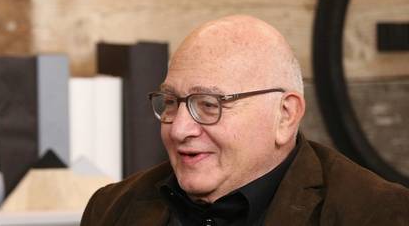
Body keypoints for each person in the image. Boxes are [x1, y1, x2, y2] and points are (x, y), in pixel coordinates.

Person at [81, 15, 409, 225]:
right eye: (171, 102)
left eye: (208, 104)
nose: (179, 128)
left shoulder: (378, 214)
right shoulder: (111, 209)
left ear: (285, 115)